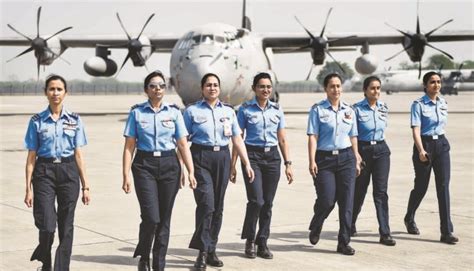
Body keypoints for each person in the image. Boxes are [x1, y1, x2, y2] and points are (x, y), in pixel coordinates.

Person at [122, 70, 197, 271]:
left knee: (164, 219)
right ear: (146, 89)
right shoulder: (137, 113)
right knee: (151, 217)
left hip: (169, 166)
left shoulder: (174, 112)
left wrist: (190, 171)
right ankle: (144, 254)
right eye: (153, 86)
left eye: (161, 86)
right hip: (144, 166)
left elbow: (182, 144)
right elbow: (130, 147)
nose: (158, 89)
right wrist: (125, 175)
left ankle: (158, 264)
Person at [183, 73, 254, 270]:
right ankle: (202, 252)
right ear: (202, 88)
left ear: (219, 89)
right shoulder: (191, 112)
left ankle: (211, 249)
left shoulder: (229, 112)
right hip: (200, 157)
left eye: (215, 85)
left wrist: (246, 163)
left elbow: (237, 139)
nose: (212, 88)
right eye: (208, 85)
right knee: (207, 205)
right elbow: (182, 141)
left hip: (222, 157)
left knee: (218, 207)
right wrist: (185, 168)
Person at [24, 74, 90, 271]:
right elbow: (30, 158)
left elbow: (79, 154)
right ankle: (45, 257)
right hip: (44, 171)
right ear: (46, 93)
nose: (55, 93)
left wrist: (86, 185)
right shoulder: (36, 121)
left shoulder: (75, 120)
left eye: (59, 89)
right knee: (47, 225)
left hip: (69, 172)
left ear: (65, 93)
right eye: (51, 89)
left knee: (66, 225)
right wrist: (28, 188)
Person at [230, 72, 294, 259]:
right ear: (254, 89)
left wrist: (288, 164)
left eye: (268, 87)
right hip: (252, 157)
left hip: (273, 157)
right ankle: (250, 239)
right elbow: (238, 138)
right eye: (261, 86)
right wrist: (233, 165)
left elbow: (282, 139)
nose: (265, 90)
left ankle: (262, 241)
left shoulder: (277, 109)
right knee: (256, 200)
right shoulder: (245, 110)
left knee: (268, 203)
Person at [307, 73, 361, 256]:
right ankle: (317, 224)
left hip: (346, 158)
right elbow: (313, 136)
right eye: (332, 86)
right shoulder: (317, 110)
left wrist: (357, 157)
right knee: (327, 199)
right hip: (325, 159)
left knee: (347, 202)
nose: (336, 90)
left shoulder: (349, 110)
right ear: (326, 89)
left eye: (338, 86)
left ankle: (343, 242)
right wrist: (312, 159)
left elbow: (353, 136)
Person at [404, 71, 459, 244]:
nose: (436, 85)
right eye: (432, 82)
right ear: (425, 86)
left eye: (438, 82)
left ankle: (446, 231)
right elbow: (416, 129)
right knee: (421, 186)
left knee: (443, 187)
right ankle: (409, 216)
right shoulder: (418, 105)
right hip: (425, 146)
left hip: (441, 146)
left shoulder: (443, 103)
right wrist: (421, 150)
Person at [351, 76, 396, 246]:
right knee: (359, 191)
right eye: (372, 88)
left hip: (381, 150)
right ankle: (350, 223)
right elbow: (352, 134)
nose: (376, 91)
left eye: (378, 88)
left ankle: (385, 232)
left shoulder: (384, 107)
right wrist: (356, 155)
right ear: (365, 90)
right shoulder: (355, 109)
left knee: (381, 192)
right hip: (363, 151)